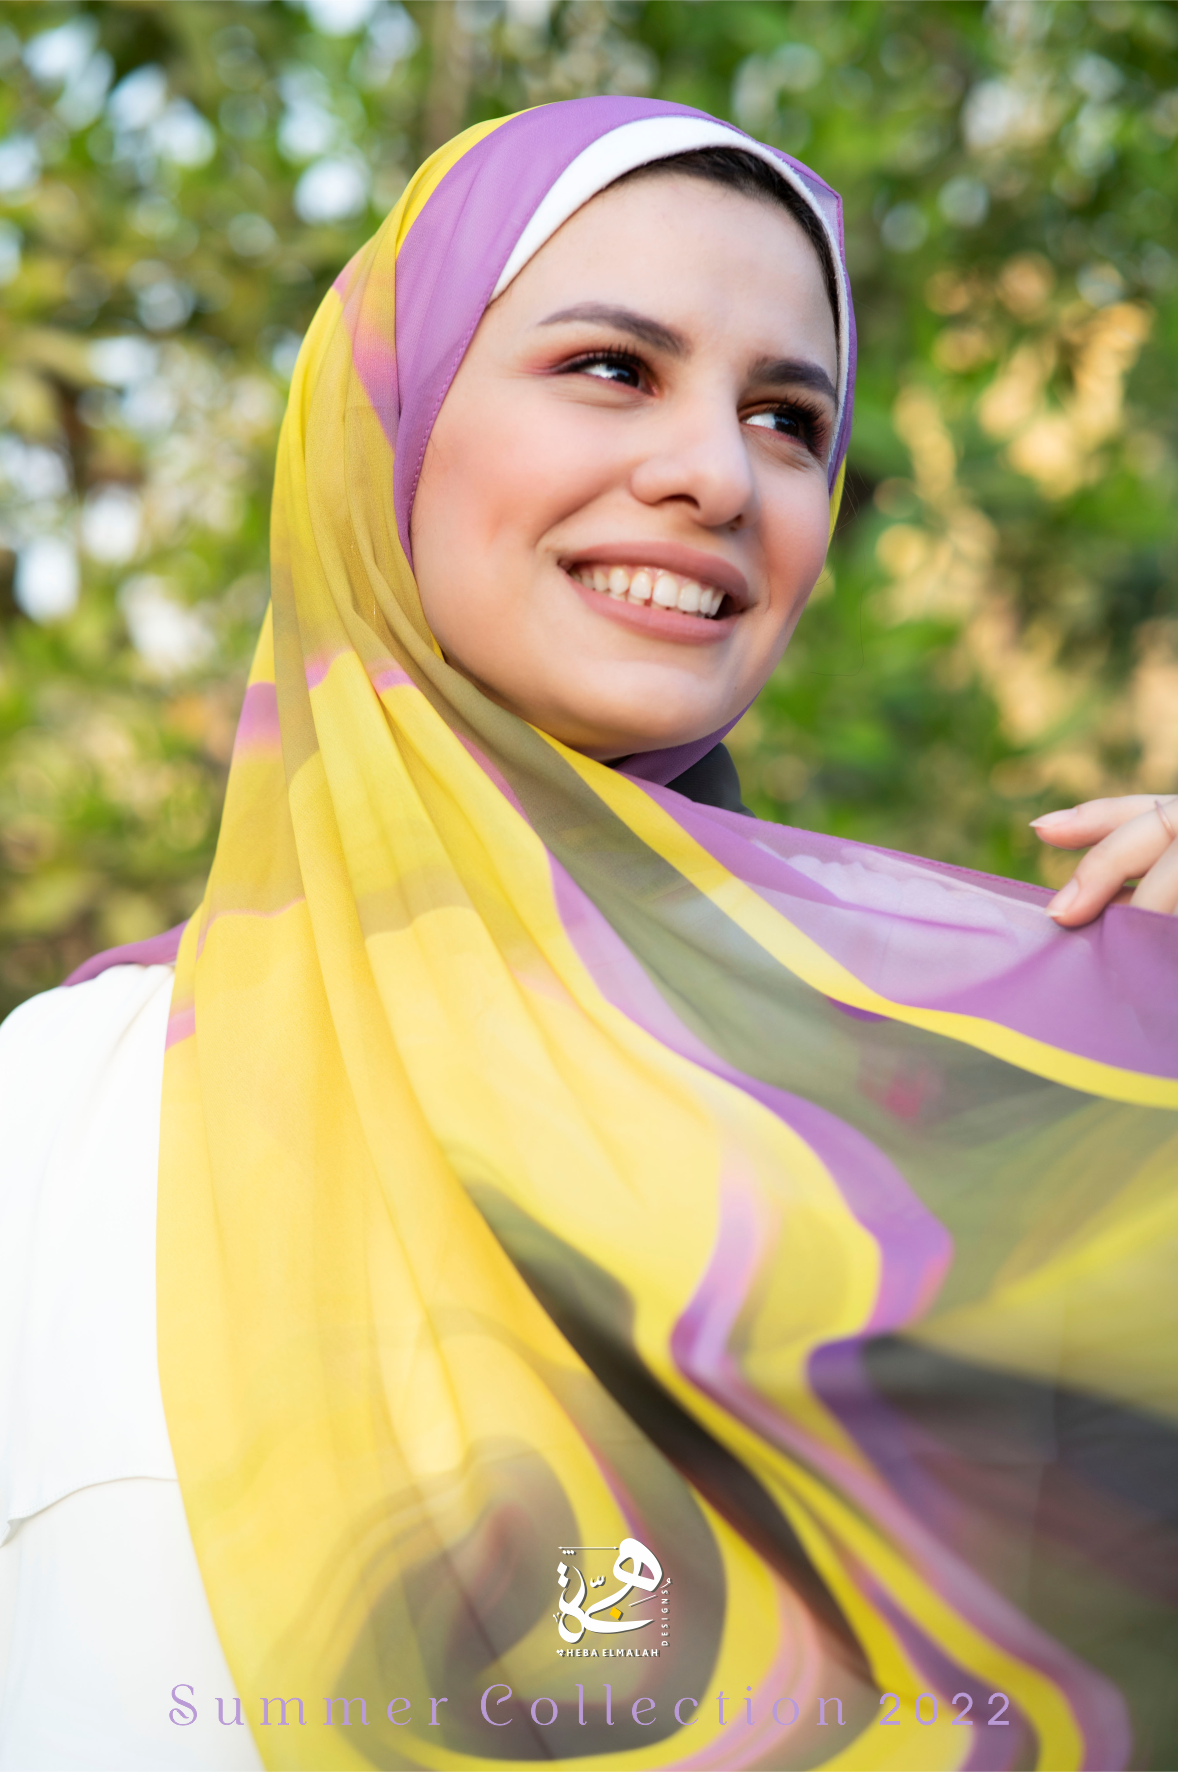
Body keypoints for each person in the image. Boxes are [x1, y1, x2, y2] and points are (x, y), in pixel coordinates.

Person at [1, 96, 1176, 1772]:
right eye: (612, 368)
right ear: (383, 427)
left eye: (787, 418)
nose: (715, 472)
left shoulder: (943, 1123)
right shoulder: (60, 1117)